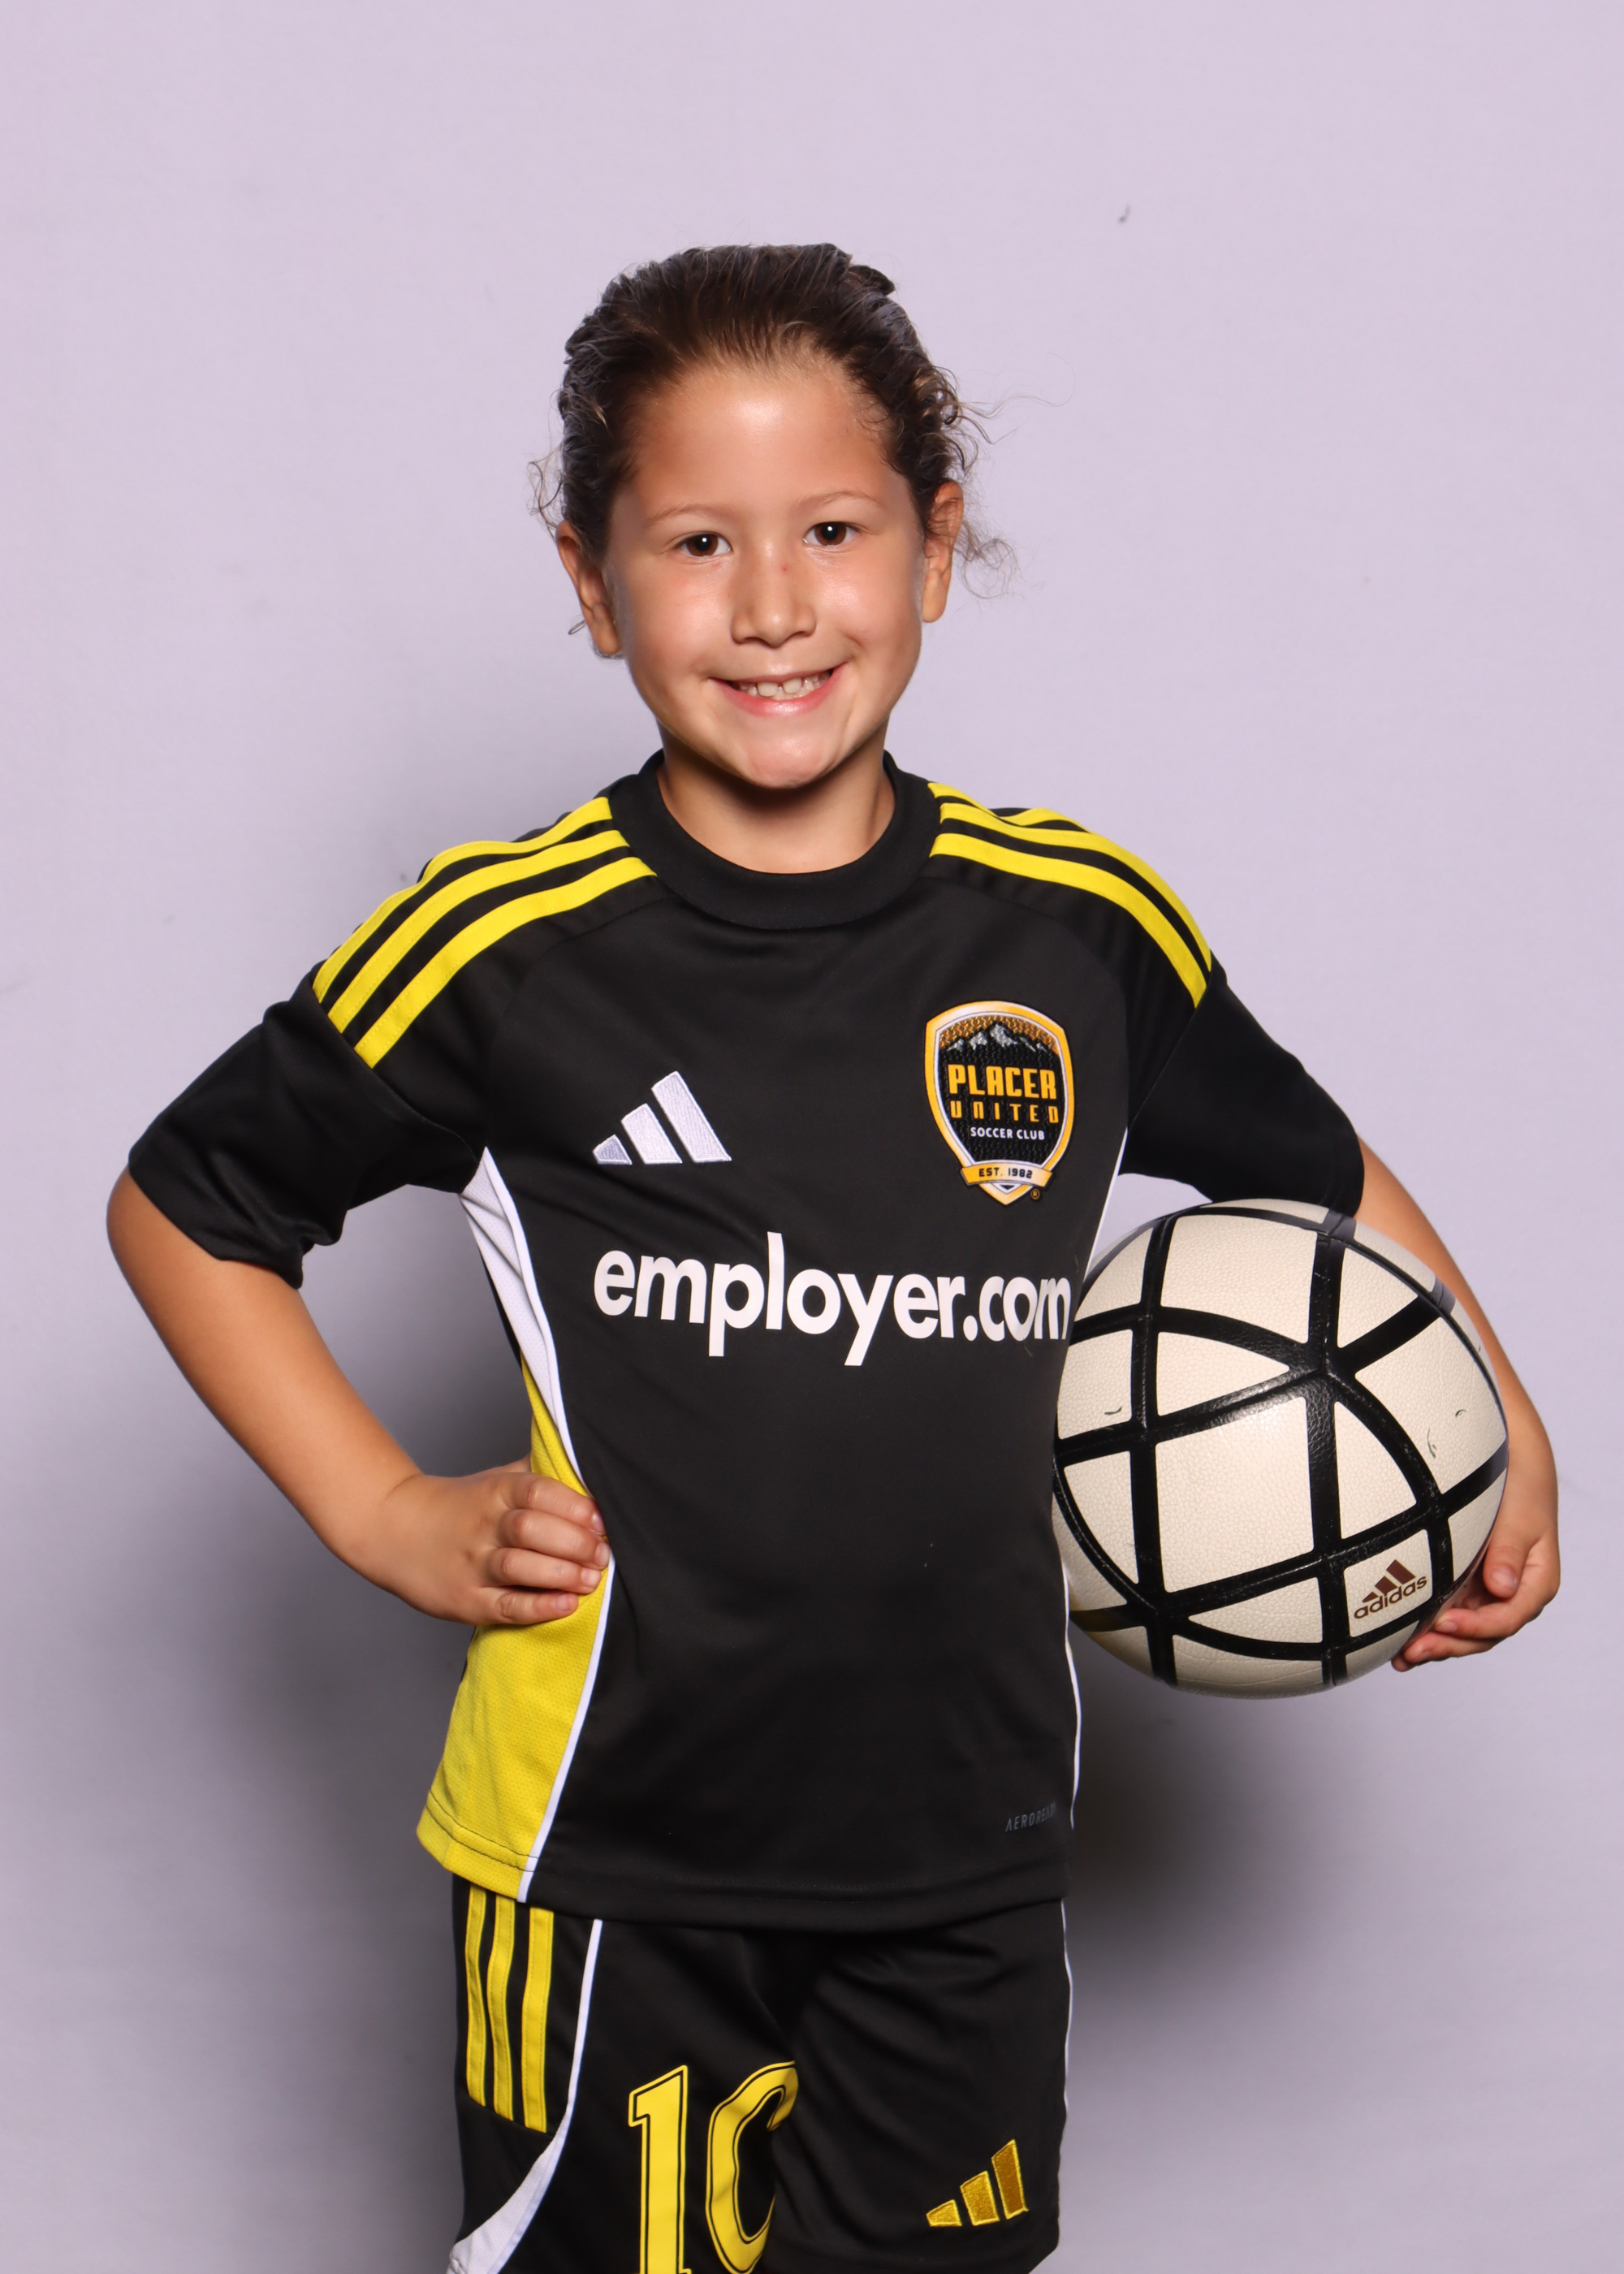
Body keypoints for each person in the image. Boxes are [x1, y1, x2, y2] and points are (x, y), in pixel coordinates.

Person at [108, 244, 1558, 2274]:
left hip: (965, 1853)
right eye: (697, 541)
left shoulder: (1073, 929)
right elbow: (189, 1203)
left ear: (936, 547)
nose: (774, 604)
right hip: (608, 1850)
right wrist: (383, 1507)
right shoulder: (509, 944)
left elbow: (1319, 1176)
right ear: (592, 581)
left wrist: (1494, 1432)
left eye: (835, 531)